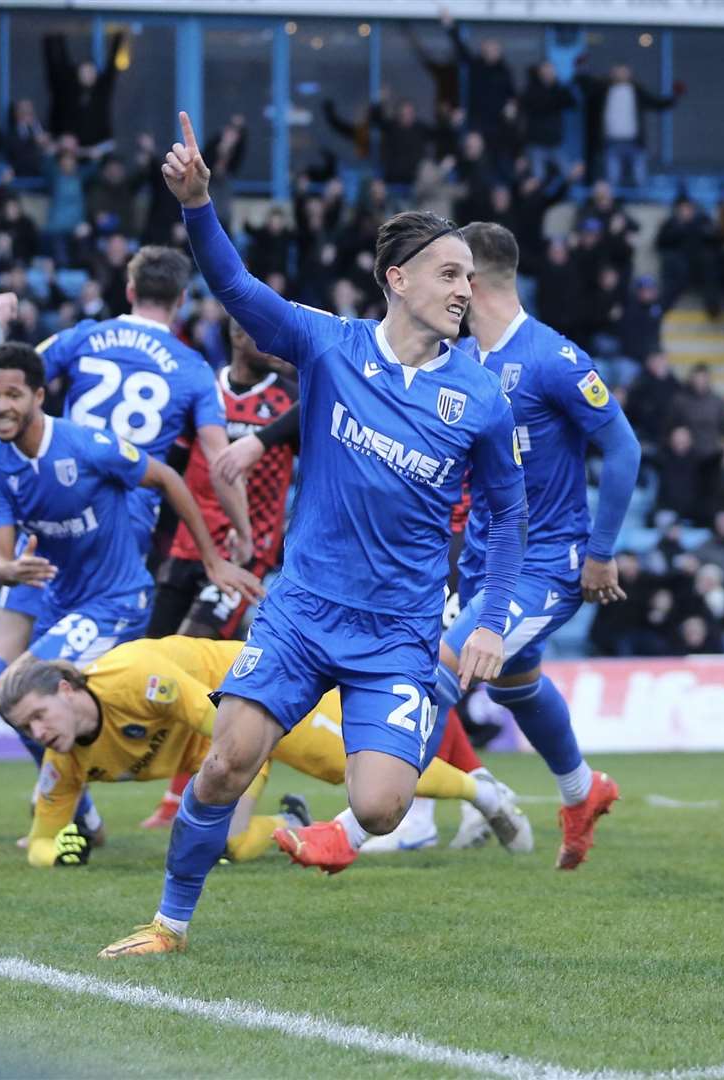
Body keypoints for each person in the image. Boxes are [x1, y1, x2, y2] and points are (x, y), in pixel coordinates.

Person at [99, 112, 526, 958]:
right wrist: (197, 209)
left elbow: (509, 514)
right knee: (225, 763)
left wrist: (489, 616)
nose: (462, 292)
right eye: (448, 274)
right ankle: (170, 922)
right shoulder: (332, 348)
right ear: (397, 280)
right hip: (302, 611)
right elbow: (241, 293)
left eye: (470, 280)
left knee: (378, 807)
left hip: (400, 630)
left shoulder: (480, 399)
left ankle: (358, 815)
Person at [279, 221, 641, 867]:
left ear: (476, 282)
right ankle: (582, 792)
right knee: (513, 684)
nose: (447, 286)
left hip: (543, 562)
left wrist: (601, 550)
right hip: (481, 561)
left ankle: (351, 833)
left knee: (440, 667)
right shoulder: (464, 363)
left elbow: (623, 446)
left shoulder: (550, 359)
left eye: (454, 273)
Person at [0, 250, 248, 832]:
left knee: (13, 666)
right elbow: (215, 458)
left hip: (53, 512)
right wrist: (235, 541)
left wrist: (0, 323)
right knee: (33, 679)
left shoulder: (85, 337)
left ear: (128, 288)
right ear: (180, 301)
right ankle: (75, 800)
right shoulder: (193, 367)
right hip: (122, 514)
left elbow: (8, 373)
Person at [0, 636, 518, 870]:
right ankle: (290, 822)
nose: (37, 733)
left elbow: (218, 723)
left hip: (259, 696)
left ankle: (483, 793)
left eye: (38, 716)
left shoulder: (132, 678)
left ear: (65, 690)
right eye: (25, 728)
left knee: (355, 770)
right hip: (222, 754)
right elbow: (39, 839)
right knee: (227, 846)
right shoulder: (64, 760)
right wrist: (56, 850)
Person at [148, 320, 295, 641]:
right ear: (238, 336)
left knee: (193, 644)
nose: (275, 345)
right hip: (191, 543)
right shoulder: (206, 391)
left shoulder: (290, 397)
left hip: (247, 550)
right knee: (154, 645)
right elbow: (177, 464)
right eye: (266, 336)